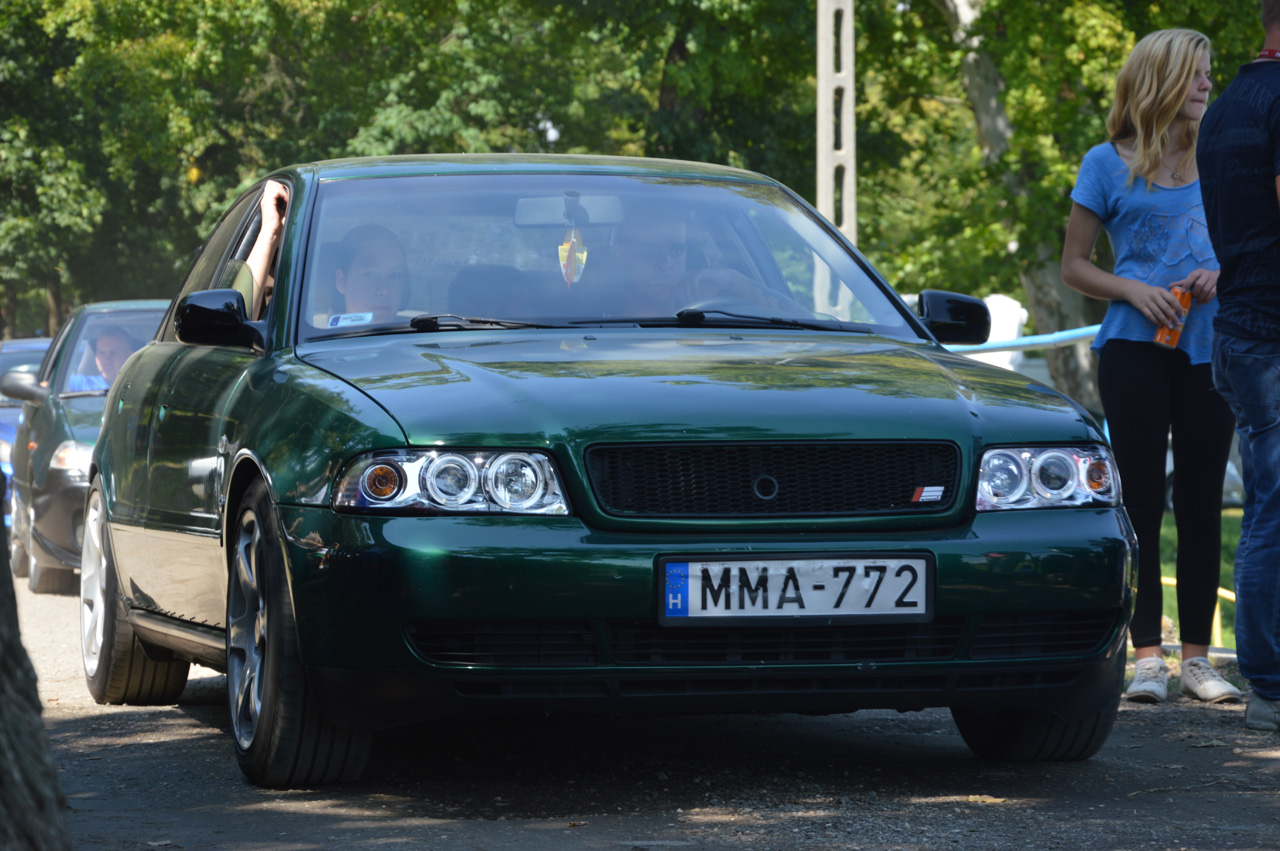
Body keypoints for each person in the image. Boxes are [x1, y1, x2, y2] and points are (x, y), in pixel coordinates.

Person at [1061, 29, 1241, 705]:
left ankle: (1197, 661)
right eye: (1196, 74)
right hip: (1132, 351)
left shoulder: (1221, 154)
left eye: (1208, 73)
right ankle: (1145, 659)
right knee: (1139, 500)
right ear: (1161, 79)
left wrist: (1222, 273)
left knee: (1200, 501)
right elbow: (1074, 265)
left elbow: (1252, 244)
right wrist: (1134, 290)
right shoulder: (1104, 163)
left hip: (1209, 351)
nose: (1206, 85)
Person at [1197, 1, 1280, 731]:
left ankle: (1267, 683)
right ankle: (1272, 686)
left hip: (1241, 329)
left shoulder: (1226, 106)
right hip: (1269, 337)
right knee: (1273, 512)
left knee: (1266, 506)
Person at [332, 224, 409, 325]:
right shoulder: (317, 334)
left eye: (395, 275)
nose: (384, 290)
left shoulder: (423, 332)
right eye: (371, 274)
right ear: (341, 281)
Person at [66, 326, 133, 392]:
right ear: (96, 356)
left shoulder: (137, 388)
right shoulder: (81, 386)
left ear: (129, 357)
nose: (106, 360)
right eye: (102, 353)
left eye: (113, 353)